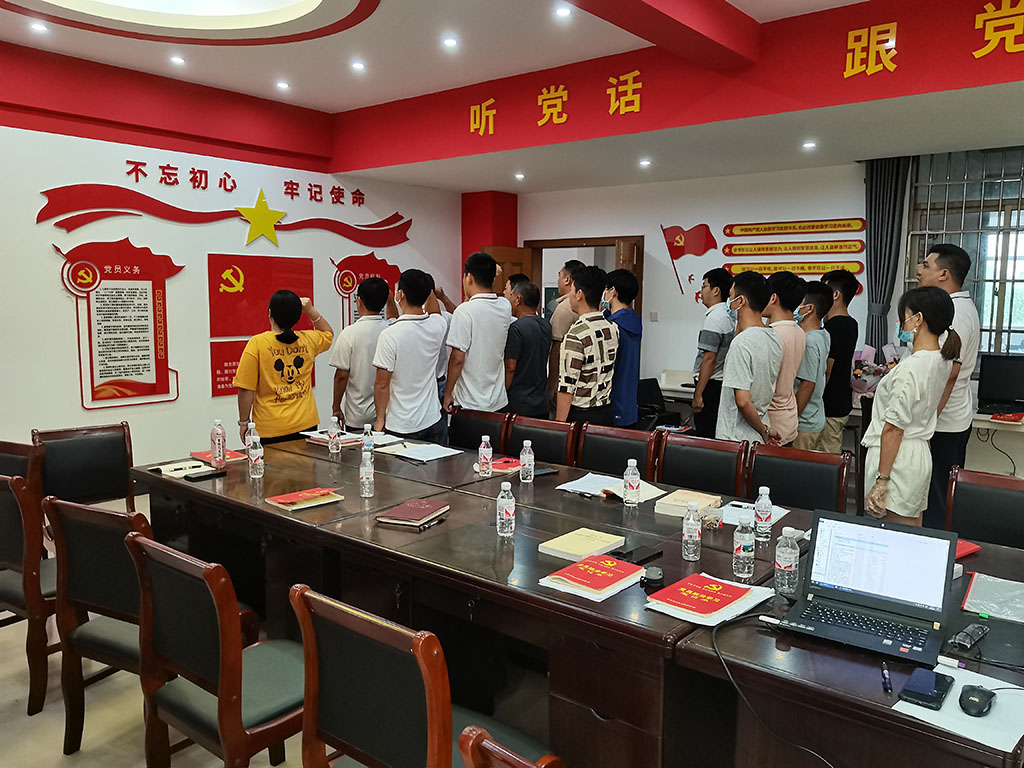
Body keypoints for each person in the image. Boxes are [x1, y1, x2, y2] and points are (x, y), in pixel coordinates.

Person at [863, 287, 960, 525]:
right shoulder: (940, 359)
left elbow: (894, 428)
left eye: (903, 316)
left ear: (918, 319)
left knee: (892, 534)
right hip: (916, 453)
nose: (900, 323)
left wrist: (882, 480)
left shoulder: (911, 368)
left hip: (897, 460)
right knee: (911, 530)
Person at [917, 244, 979, 529]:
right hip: (947, 418)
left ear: (943, 274)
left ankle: (939, 548)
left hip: (943, 423)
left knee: (937, 498)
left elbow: (949, 372)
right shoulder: (953, 307)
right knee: (937, 494)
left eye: (926, 265)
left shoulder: (956, 311)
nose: (919, 270)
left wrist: (928, 421)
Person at [234, 290, 333, 444]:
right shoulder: (308, 340)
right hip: (306, 424)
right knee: (306, 461)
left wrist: (244, 422)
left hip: (270, 428)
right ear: (298, 316)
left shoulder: (257, 343)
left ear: (269, 313)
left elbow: (246, 389)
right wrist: (310, 310)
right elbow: (327, 333)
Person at [372, 269, 447, 442]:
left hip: (400, 424)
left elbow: (382, 383)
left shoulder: (389, 335)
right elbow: (435, 310)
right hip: (432, 419)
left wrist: (380, 418)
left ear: (400, 295)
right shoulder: (438, 325)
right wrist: (427, 291)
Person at [716, 271, 783, 445]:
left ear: (741, 301)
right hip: (756, 437)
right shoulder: (774, 337)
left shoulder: (742, 344)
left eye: (731, 296)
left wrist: (764, 430)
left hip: (735, 439)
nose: (728, 302)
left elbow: (743, 401)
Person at [443, 252, 513, 413]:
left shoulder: (464, 311)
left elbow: (457, 359)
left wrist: (447, 393)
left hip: (470, 403)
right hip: (498, 400)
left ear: (469, 277)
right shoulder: (505, 306)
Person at [555, 265, 619, 425]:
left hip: (581, 417)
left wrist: (558, 426)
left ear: (579, 294)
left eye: (571, 290)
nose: (569, 295)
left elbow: (567, 388)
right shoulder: (612, 328)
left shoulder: (575, 335)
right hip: (606, 413)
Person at [329, 277, 390, 431]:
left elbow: (341, 376)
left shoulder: (349, 333)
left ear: (358, 301)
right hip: (388, 413)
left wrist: (336, 407)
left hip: (357, 414)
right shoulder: (392, 330)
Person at [763, 271, 807, 446]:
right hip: (789, 418)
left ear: (773, 298)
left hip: (771, 423)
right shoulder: (799, 332)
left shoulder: (772, 335)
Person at [819, 269, 860, 454]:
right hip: (841, 400)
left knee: (827, 456)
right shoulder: (852, 323)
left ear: (835, 295)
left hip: (829, 404)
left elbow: (827, 370)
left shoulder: (833, 327)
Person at [792, 282, 835, 450]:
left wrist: (791, 419)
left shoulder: (809, 341)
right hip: (816, 415)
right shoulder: (823, 334)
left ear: (809, 308)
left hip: (804, 422)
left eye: (799, 302)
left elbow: (807, 385)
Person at [692, 268, 735, 438]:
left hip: (711, 386)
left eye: (704, 286)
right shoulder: (730, 315)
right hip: (723, 385)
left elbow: (709, 359)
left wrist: (698, 394)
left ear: (716, 290)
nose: (701, 291)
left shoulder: (714, 319)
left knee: (706, 436)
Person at [504, 281, 552, 418]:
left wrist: (503, 392)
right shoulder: (546, 325)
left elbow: (510, 367)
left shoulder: (516, 328)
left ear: (518, 299)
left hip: (520, 402)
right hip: (541, 400)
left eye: (511, 295)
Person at [603, 269, 642, 428]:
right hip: (629, 405)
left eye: (606, 289)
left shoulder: (613, 327)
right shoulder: (633, 321)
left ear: (613, 291)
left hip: (612, 403)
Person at [548, 259, 586, 405]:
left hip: (566, 382)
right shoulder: (588, 304)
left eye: (559, 276)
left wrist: (552, 385)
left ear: (567, 279)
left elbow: (557, 349)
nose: (558, 280)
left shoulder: (564, 308)